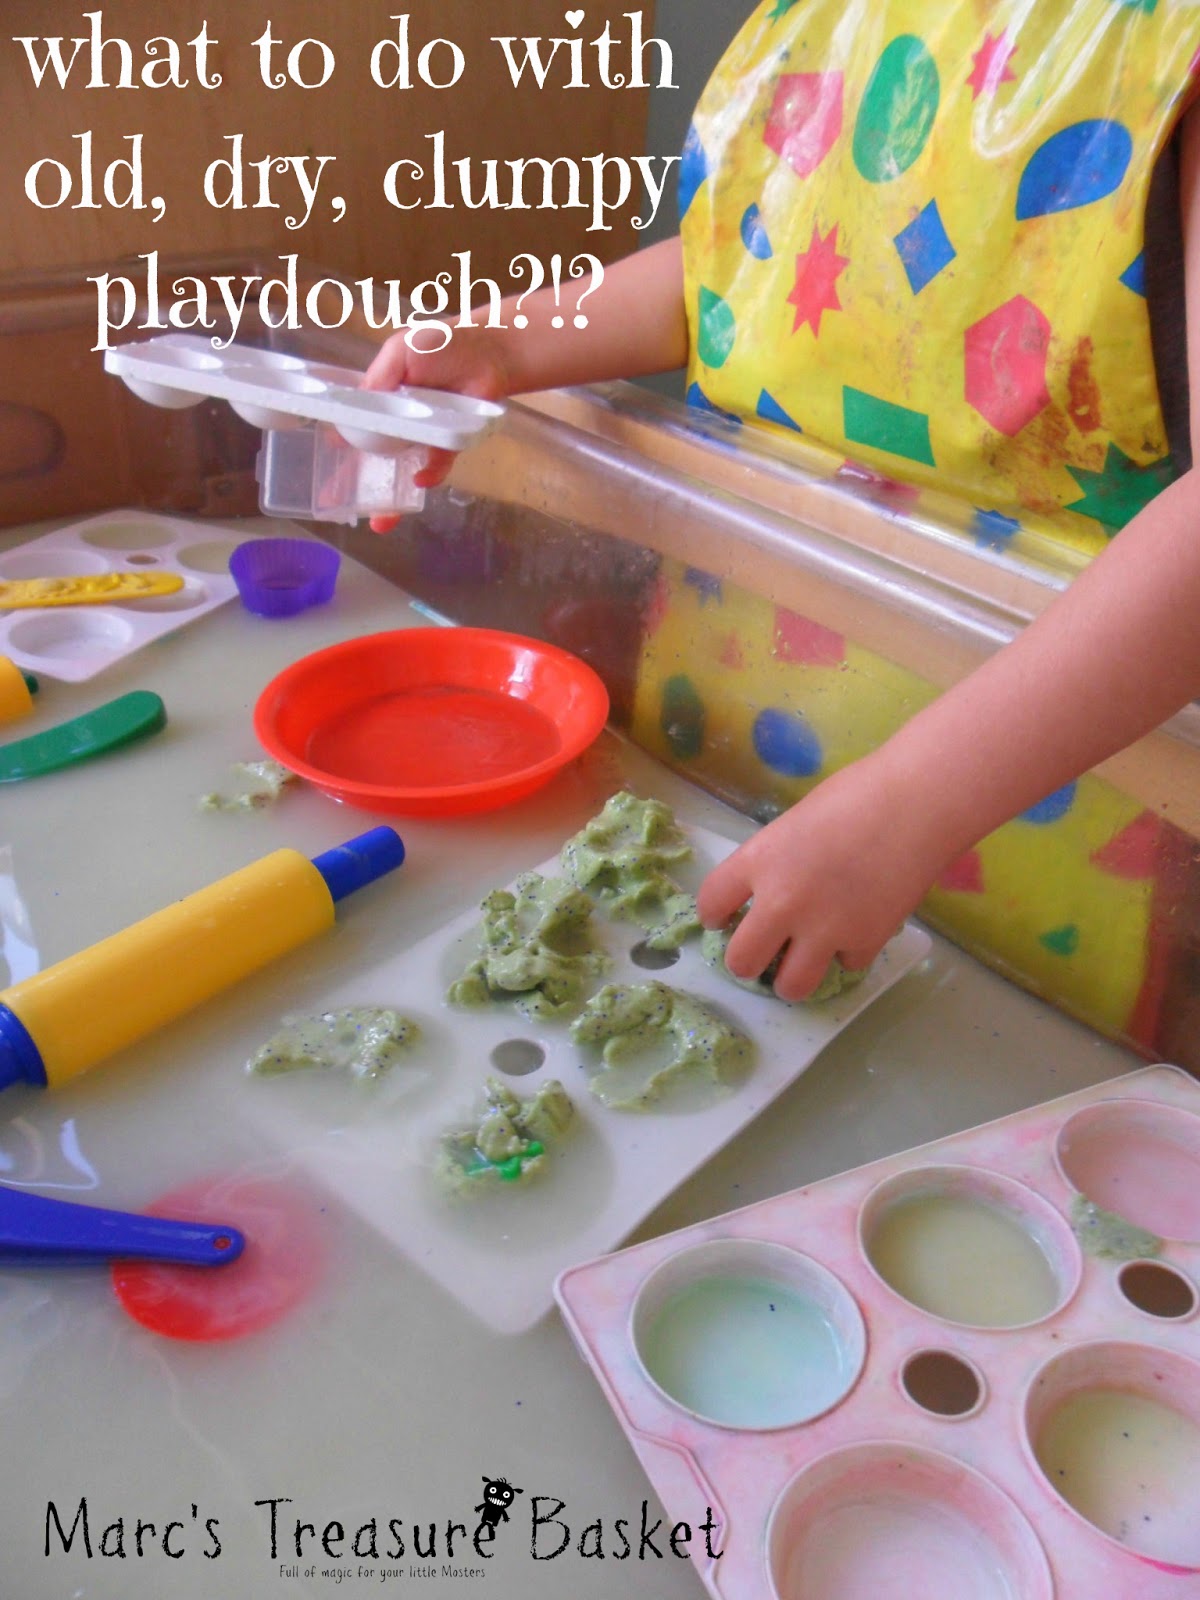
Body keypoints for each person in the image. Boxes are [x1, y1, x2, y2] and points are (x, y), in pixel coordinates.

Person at [364, 0, 1200, 1002]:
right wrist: (512, 340)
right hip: (744, 705)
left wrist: (903, 810)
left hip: (1032, 795)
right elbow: (739, 268)